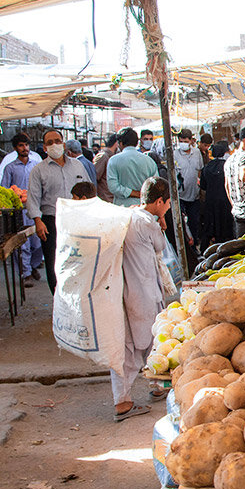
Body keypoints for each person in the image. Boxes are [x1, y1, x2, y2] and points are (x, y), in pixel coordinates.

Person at [113, 176, 171, 420]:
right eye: (167, 203)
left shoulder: (131, 215)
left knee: (149, 342)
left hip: (131, 289)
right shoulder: (148, 223)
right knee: (133, 348)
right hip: (143, 292)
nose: (167, 207)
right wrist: (162, 219)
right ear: (159, 201)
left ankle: (157, 386)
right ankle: (122, 402)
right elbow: (161, 245)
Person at [26, 129, 91, 292]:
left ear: (63, 143)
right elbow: (33, 198)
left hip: (77, 220)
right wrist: (37, 221)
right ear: (44, 147)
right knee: (54, 262)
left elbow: (89, 189)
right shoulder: (38, 170)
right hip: (51, 221)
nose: (54, 145)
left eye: (57, 141)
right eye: (50, 142)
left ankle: (77, 297)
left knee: (79, 260)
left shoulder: (77, 165)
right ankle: (58, 300)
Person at [1, 133, 43, 286]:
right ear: (15, 148)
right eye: (21, 145)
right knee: (22, 244)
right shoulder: (10, 168)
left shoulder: (36, 166)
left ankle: (32, 266)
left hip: (36, 208)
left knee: (38, 243)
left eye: (26, 145)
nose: (24, 148)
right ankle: (26, 274)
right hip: (19, 212)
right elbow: (5, 190)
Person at [107, 128, 159, 208]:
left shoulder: (114, 160)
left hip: (123, 209)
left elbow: (113, 187)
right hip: (145, 208)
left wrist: (133, 193)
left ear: (120, 143)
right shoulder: (149, 161)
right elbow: (156, 185)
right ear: (137, 142)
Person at [199, 140, 234, 249]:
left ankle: (204, 249)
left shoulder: (207, 167)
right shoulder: (227, 166)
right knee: (224, 225)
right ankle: (225, 248)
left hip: (210, 201)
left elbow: (203, 186)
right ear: (224, 153)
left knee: (210, 225)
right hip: (225, 200)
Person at [173, 129, 204, 244]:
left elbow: (200, 171)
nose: (183, 144)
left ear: (191, 141)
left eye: (186, 141)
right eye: (181, 141)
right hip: (180, 195)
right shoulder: (175, 154)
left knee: (194, 221)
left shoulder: (197, 153)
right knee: (181, 223)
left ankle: (195, 244)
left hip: (194, 194)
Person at [93, 133, 119, 202]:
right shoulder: (103, 156)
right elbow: (94, 177)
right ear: (116, 143)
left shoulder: (112, 156)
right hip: (105, 198)